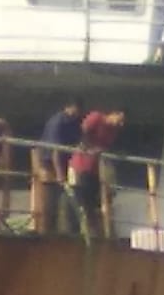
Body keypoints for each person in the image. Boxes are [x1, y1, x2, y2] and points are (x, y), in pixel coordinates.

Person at [69, 110, 125, 238]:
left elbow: (105, 147)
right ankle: (79, 231)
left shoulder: (113, 131)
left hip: (95, 169)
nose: (120, 124)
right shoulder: (97, 117)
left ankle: (93, 232)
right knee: (81, 199)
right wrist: (90, 148)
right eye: (120, 120)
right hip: (81, 165)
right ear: (114, 114)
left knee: (93, 202)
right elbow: (83, 132)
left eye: (122, 123)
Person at [33, 98, 83, 234]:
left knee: (62, 198)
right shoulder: (57, 122)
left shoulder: (72, 123)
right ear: (70, 107)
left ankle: (61, 229)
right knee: (50, 199)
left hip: (64, 163)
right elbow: (55, 150)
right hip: (49, 163)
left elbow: (75, 143)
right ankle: (46, 231)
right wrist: (60, 174)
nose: (78, 113)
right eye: (76, 109)